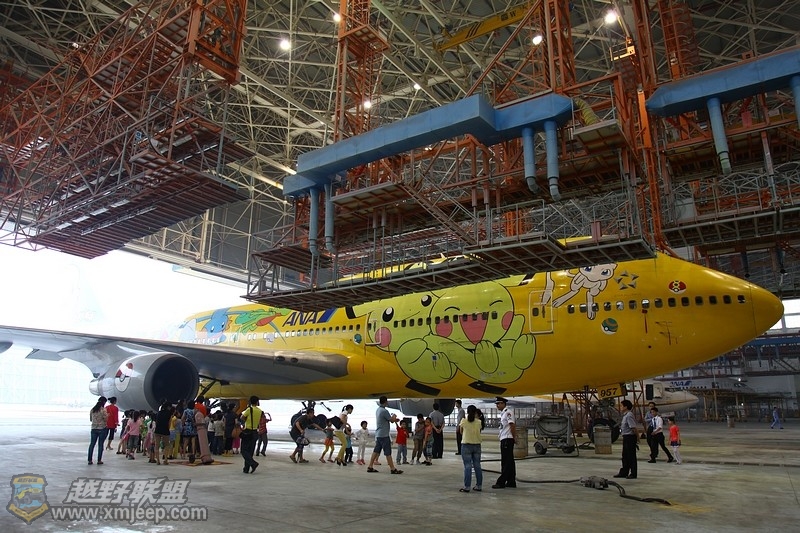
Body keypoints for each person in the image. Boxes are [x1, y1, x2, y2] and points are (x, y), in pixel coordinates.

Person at [366, 395, 403, 474]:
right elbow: (391, 420)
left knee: (376, 451)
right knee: (387, 452)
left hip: (379, 434)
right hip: (384, 435)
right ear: (386, 402)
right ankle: (392, 469)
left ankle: (370, 466)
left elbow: (387, 419)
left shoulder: (378, 410)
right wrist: (394, 416)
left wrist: (394, 419)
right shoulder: (384, 411)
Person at [458, 404, 483, 492]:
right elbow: (479, 431)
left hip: (466, 445)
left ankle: (467, 487)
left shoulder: (463, 421)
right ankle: (479, 485)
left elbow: (460, 431)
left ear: (467, 412)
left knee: (467, 466)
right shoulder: (479, 422)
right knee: (477, 465)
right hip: (477, 445)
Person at [492, 397, 516, 489]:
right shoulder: (503, 413)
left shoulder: (508, 412)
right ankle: (511, 481)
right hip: (505, 438)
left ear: (503, 403)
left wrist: (514, 437)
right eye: (497, 404)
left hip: (507, 439)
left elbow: (512, 425)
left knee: (506, 462)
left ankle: (501, 482)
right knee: (510, 461)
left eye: (499, 404)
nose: (497, 406)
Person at [614, 399, 639, 479]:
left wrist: (637, 437)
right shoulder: (625, 415)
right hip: (626, 437)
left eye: (622, 406)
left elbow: (633, 428)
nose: (620, 407)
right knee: (625, 456)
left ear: (626, 407)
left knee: (631, 456)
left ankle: (633, 473)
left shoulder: (629, 415)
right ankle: (624, 472)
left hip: (630, 437)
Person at [239, 395, 263, 473]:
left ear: (250, 402)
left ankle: (253, 463)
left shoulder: (249, 409)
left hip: (247, 431)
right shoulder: (260, 411)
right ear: (257, 402)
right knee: (250, 451)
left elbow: (242, 417)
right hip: (255, 432)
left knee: (243, 450)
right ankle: (246, 468)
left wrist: (246, 421)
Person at [88, 396, 108, 465]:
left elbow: (91, 419)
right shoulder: (103, 410)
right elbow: (105, 419)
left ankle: (90, 460)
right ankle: (99, 460)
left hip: (93, 428)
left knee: (92, 444)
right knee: (100, 445)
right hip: (102, 428)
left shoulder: (92, 410)